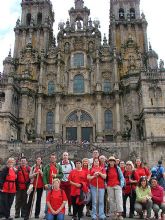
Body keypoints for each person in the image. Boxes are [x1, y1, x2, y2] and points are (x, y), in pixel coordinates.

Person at [43, 153, 63, 219]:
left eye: (54, 158)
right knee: (48, 200)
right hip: (49, 185)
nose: (53, 159)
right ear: (50, 159)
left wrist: (56, 175)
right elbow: (44, 175)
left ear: (56, 159)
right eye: (51, 158)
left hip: (56, 185)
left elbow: (61, 175)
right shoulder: (46, 166)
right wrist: (45, 183)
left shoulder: (59, 166)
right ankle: (46, 214)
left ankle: (56, 213)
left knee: (56, 199)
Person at [106, 156, 125, 220]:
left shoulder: (117, 168)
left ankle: (119, 214)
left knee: (119, 200)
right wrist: (106, 185)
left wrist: (121, 185)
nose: (111, 162)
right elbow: (105, 178)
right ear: (109, 162)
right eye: (110, 161)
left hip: (117, 185)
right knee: (112, 200)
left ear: (114, 162)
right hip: (109, 186)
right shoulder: (107, 169)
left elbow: (122, 177)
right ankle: (114, 214)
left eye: (113, 161)